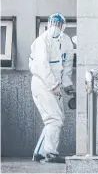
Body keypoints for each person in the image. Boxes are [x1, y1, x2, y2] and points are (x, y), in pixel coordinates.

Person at [29, 13, 75, 163]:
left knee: (56, 119)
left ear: (63, 26)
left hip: (56, 85)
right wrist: (53, 85)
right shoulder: (41, 42)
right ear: (49, 24)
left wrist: (67, 85)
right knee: (54, 119)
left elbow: (67, 66)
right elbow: (42, 67)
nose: (55, 27)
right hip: (42, 84)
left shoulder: (66, 41)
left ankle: (40, 153)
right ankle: (50, 153)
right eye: (53, 23)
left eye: (58, 24)